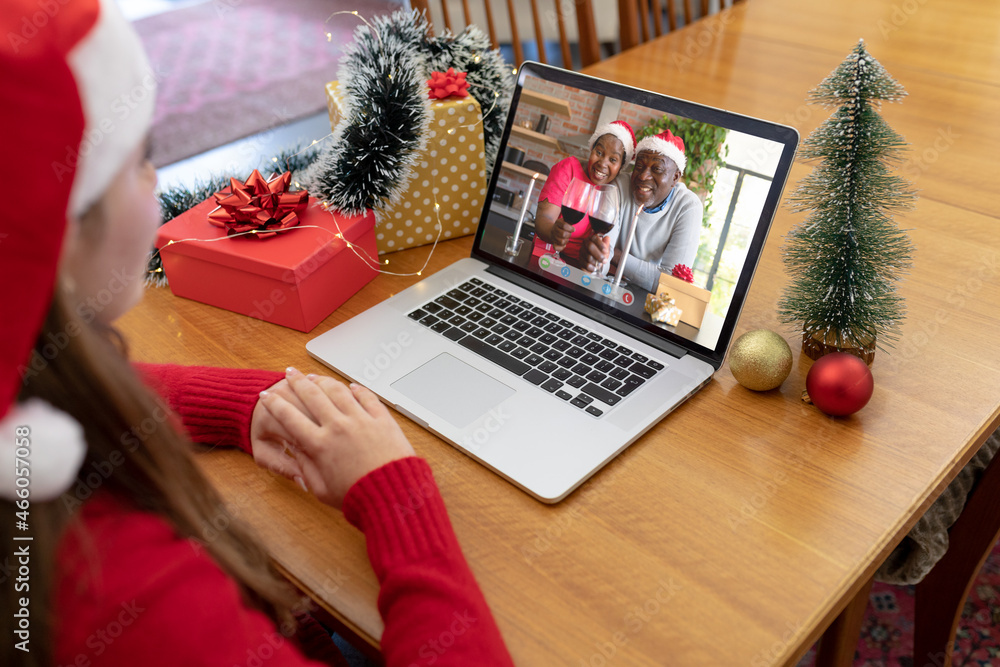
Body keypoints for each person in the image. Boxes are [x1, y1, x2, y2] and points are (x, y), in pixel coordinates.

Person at [0, 2, 513, 666]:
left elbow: (72, 391)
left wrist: (248, 404)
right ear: (57, 231)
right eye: (140, 158)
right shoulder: (134, 603)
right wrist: (396, 493)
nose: (156, 179)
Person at [583, 129, 704, 293]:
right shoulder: (618, 187)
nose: (643, 176)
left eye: (657, 169)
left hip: (646, 301)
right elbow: (601, 261)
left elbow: (671, 285)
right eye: (639, 166)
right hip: (606, 287)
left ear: (675, 178)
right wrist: (603, 258)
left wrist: (617, 256)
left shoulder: (688, 207)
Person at [530, 120, 635, 267]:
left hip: (581, 267)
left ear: (620, 167)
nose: (603, 163)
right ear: (591, 149)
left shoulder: (613, 190)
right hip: (547, 258)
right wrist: (553, 232)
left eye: (613, 159)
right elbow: (544, 218)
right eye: (599, 152)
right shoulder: (568, 168)